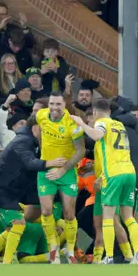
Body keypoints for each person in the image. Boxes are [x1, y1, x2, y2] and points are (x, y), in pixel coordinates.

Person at [0, 116, 66, 264]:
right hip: (0, 191)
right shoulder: (23, 141)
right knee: (18, 224)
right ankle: (7, 262)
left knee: (16, 227)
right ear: (35, 128)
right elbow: (30, 163)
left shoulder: (33, 141)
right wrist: (51, 163)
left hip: (14, 191)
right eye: (45, 128)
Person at [70, 98, 138, 264]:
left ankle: (109, 257)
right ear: (110, 111)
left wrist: (82, 124)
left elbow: (97, 135)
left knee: (108, 217)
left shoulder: (101, 123)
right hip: (129, 172)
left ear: (95, 112)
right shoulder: (119, 125)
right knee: (128, 217)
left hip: (113, 173)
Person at [35, 91, 86, 264]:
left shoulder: (73, 123)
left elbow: (81, 150)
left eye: (58, 104)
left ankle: (70, 250)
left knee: (69, 214)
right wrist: (46, 160)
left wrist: (63, 170)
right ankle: (53, 248)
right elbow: (42, 135)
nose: (54, 108)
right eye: (51, 104)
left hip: (66, 172)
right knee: (46, 211)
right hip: (47, 171)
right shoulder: (41, 116)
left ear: (65, 105)